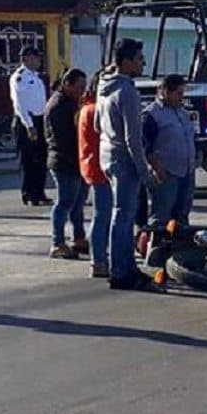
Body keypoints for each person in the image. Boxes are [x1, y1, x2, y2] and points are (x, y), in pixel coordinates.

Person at [96, 38, 164, 293]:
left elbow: (95, 125)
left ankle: (123, 267)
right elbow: (132, 138)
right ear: (125, 62)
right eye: (139, 59)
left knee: (119, 214)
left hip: (107, 156)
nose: (143, 63)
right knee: (124, 217)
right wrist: (145, 171)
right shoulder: (127, 92)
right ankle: (122, 272)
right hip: (124, 160)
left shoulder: (104, 87)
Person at [44, 68, 88, 259]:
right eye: (80, 87)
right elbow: (66, 138)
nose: (83, 91)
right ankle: (57, 242)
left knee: (78, 202)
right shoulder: (60, 105)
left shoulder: (70, 102)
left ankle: (78, 237)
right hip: (64, 161)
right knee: (65, 202)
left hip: (75, 160)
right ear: (67, 84)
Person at [143, 74, 196, 225]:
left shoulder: (183, 113)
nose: (182, 97)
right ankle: (156, 247)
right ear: (165, 91)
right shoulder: (152, 114)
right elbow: (146, 146)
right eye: (178, 93)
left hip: (186, 172)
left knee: (182, 217)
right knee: (161, 217)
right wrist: (158, 169)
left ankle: (178, 247)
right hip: (166, 174)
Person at [78, 70, 113, 278]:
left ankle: (100, 257)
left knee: (103, 216)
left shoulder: (88, 108)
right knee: (102, 217)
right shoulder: (95, 110)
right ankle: (98, 259)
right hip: (100, 168)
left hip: (93, 167)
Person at [9, 46, 50, 206]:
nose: (39, 60)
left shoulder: (37, 77)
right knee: (28, 160)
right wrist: (29, 125)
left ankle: (39, 192)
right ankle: (29, 193)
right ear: (26, 58)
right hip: (26, 121)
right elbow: (20, 104)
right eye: (35, 57)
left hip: (39, 120)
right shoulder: (19, 78)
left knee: (41, 158)